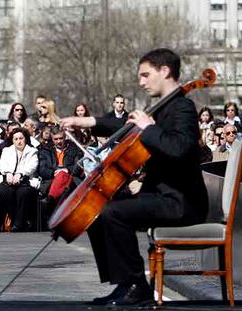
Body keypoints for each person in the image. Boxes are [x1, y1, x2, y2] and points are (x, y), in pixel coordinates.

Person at [60, 48, 208, 306]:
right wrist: (87, 122)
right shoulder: (163, 108)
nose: (141, 82)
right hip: (160, 196)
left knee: (112, 213)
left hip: (181, 201)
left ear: (165, 71)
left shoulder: (183, 107)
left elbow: (181, 148)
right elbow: (125, 126)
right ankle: (124, 284)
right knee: (97, 211)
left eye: (145, 75)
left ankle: (137, 287)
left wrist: (148, 128)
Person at [0, 128, 39, 232]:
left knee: (23, 193)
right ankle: (13, 217)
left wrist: (20, 174)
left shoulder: (32, 151)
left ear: (26, 139)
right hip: (8, 179)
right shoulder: (6, 150)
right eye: (16, 139)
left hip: (25, 181)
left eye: (21, 138)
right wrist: (8, 173)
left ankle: (18, 224)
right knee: (4, 192)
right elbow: (2, 165)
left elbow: (32, 166)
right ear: (12, 140)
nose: (19, 141)